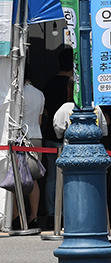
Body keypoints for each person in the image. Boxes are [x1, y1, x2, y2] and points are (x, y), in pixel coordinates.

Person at [41, 47, 73, 226]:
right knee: (70, 176)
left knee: (52, 177)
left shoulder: (48, 84)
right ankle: (68, 211)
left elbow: (45, 112)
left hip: (50, 136)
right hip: (69, 136)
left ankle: (52, 212)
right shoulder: (74, 85)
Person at [22, 68, 45, 227]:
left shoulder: (17, 94)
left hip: (21, 137)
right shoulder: (39, 94)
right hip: (37, 136)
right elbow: (39, 120)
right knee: (34, 178)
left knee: (15, 176)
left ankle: (16, 215)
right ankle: (34, 215)